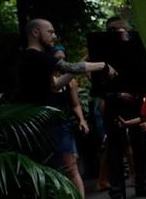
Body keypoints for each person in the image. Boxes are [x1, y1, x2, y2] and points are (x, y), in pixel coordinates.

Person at [17, 18, 117, 174]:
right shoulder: (33, 56)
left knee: (64, 167)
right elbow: (69, 67)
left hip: (52, 120)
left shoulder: (38, 58)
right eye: (50, 32)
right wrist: (103, 65)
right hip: (41, 122)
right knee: (53, 169)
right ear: (35, 32)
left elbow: (56, 84)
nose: (54, 36)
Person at [101, 18, 146, 199]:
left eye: (125, 30)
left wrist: (139, 92)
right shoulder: (102, 51)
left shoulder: (136, 48)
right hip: (114, 105)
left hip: (135, 103)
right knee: (115, 148)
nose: (124, 33)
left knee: (141, 145)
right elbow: (99, 85)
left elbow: (144, 73)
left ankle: (142, 184)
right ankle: (117, 190)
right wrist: (119, 95)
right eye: (120, 30)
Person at [52, 46, 90, 197]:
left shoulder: (70, 81)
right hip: (49, 127)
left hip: (65, 125)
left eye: (63, 58)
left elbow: (75, 104)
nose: (61, 61)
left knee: (71, 166)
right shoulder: (47, 79)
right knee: (58, 167)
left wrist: (82, 120)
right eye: (57, 58)